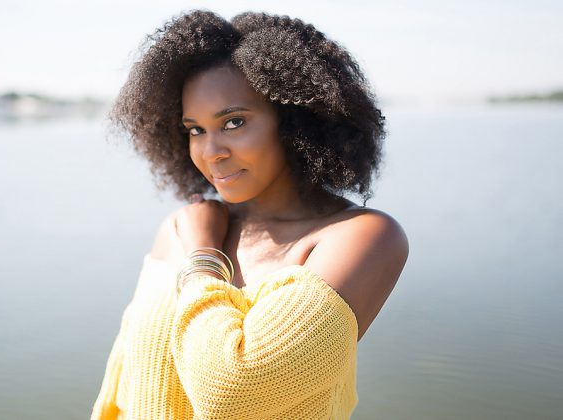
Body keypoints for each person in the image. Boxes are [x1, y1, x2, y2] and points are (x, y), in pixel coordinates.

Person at [91, 10, 408, 420]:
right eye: (195, 130)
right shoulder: (179, 228)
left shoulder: (361, 238)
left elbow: (233, 393)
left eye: (234, 122)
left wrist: (204, 258)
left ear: (296, 119)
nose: (210, 152)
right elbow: (123, 380)